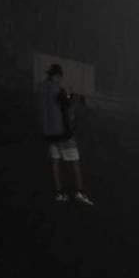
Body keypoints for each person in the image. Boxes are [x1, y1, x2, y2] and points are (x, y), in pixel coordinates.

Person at [40, 64, 94, 205]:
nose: (60, 80)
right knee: (75, 162)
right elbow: (67, 107)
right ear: (57, 76)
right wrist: (74, 97)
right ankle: (79, 192)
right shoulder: (57, 90)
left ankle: (59, 193)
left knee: (55, 162)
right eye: (60, 77)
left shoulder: (42, 88)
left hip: (49, 133)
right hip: (62, 133)